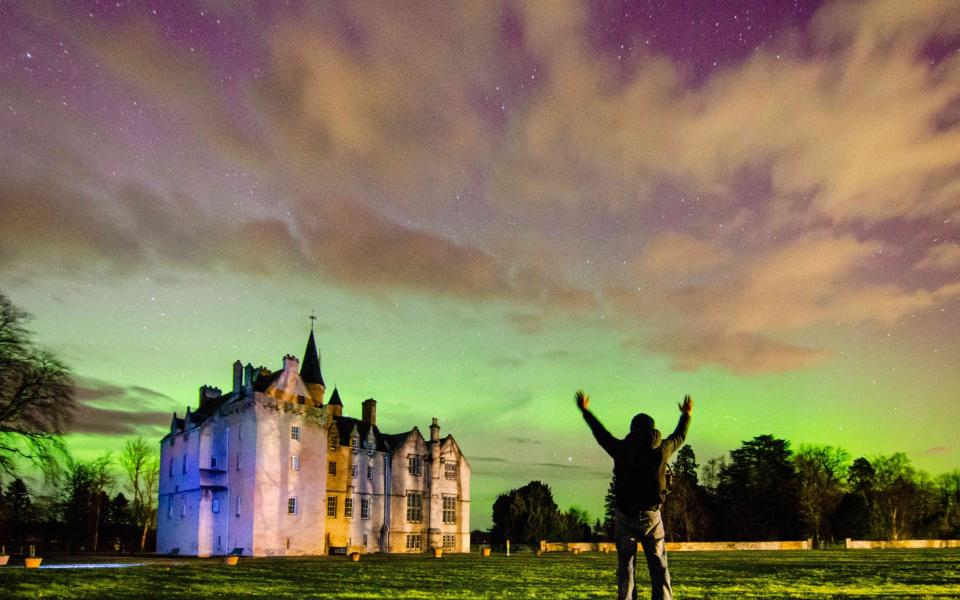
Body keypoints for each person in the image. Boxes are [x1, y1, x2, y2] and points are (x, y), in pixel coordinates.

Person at [576, 390, 693, 600]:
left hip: (625, 515)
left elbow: (601, 434)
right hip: (651, 515)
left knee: (626, 568)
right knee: (658, 567)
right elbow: (680, 436)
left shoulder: (621, 448)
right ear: (653, 428)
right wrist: (686, 415)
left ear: (632, 429)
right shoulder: (662, 448)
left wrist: (585, 411)